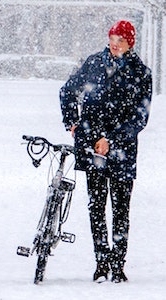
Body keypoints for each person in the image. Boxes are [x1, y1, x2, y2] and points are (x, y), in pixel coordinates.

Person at [59, 20, 152, 283]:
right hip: (92, 149)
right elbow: (67, 92)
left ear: (130, 43)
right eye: (112, 37)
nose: (115, 43)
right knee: (96, 207)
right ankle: (101, 262)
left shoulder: (141, 73)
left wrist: (111, 139)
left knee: (121, 209)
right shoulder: (93, 64)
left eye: (121, 39)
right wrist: (73, 123)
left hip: (122, 152)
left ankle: (118, 264)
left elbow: (140, 117)